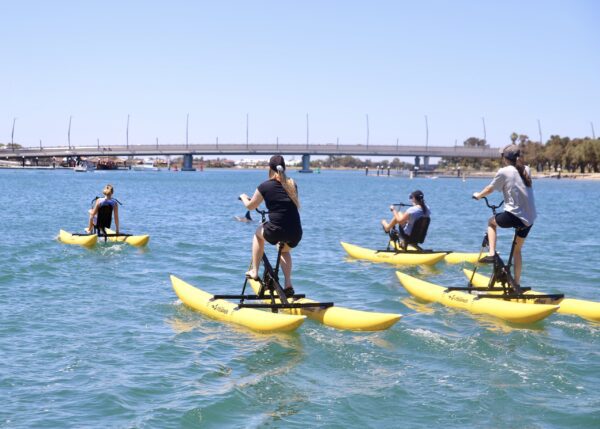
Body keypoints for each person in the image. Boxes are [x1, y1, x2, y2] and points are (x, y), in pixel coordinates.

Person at [472, 143, 536, 287]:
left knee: (491, 222)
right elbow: (518, 187)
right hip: (529, 219)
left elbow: (490, 189)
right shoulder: (527, 169)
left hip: (515, 215)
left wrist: (478, 196)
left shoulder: (504, 171)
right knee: (517, 250)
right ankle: (517, 284)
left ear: (505, 158)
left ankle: (492, 253)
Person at [239, 155, 302, 297]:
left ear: (270, 169)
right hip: (295, 232)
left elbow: (251, 206)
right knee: (284, 250)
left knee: (257, 234)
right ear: (284, 168)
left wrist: (243, 197)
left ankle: (255, 271)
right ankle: (288, 284)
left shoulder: (265, 186)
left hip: (277, 229)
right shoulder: (292, 184)